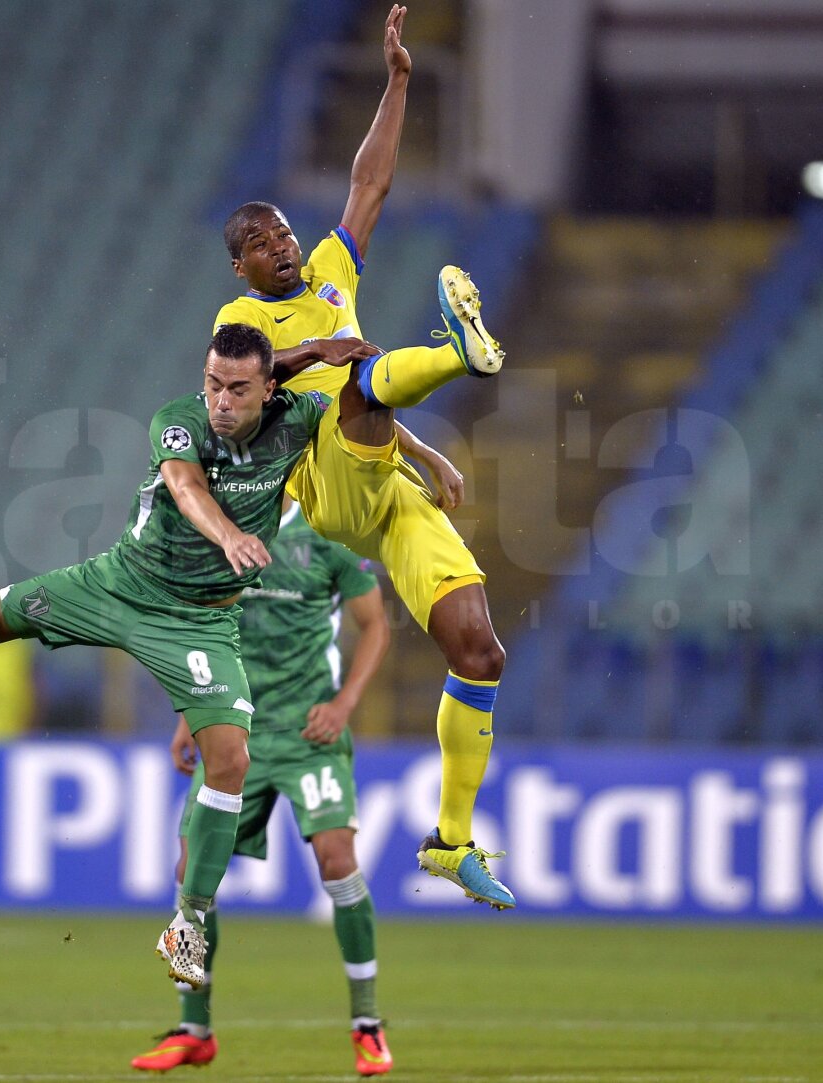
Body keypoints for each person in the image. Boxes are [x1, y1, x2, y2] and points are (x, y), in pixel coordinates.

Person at [0, 323, 327, 988]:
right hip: (116, 584)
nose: (219, 398)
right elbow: (187, 488)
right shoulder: (179, 420)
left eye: (236, 388)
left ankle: (187, 921)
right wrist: (228, 535)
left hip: (201, 620)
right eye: (212, 381)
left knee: (231, 758)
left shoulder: (304, 416)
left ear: (269, 387)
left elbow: (367, 412)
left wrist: (428, 456)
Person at [214, 5, 514, 908]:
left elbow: (369, 185)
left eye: (282, 229)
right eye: (261, 242)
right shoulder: (243, 328)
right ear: (242, 269)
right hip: (327, 486)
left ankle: (452, 844)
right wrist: (312, 356)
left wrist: (397, 82)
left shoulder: (335, 270)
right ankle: (459, 351)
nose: (282, 242)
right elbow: (236, 403)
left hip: (387, 475)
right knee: (356, 386)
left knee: (481, 648)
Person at [132, 497, 393, 1076]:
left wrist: (345, 703)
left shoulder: (332, 536)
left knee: (337, 860)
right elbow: (204, 630)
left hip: (308, 731)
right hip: (234, 728)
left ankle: (367, 1024)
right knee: (189, 869)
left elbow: (375, 625)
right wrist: (188, 715)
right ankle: (192, 1026)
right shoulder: (220, 532)